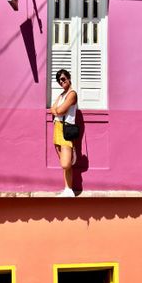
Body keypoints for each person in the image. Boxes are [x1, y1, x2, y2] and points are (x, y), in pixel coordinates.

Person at [50, 68, 79, 197]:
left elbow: (60, 110)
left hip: (66, 128)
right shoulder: (62, 95)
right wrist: (57, 110)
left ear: (68, 78)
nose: (61, 82)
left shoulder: (72, 94)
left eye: (63, 79)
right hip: (57, 128)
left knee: (66, 163)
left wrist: (57, 110)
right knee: (63, 162)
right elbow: (53, 109)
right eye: (59, 81)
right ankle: (68, 189)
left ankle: (73, 154)